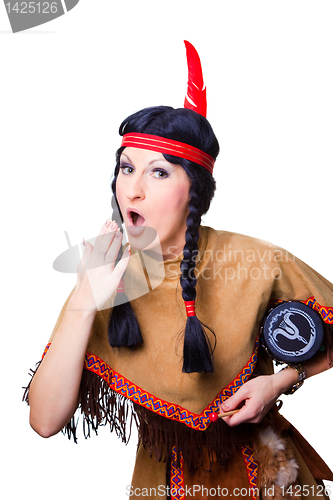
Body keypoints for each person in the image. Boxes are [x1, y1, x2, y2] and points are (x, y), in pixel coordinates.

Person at [24, 42, 333, 500]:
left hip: (271, 478)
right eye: (127, 169)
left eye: (160, 173)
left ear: (196, 191)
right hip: (162, 486)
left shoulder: (255, 260)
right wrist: (86, 300)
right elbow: (44, 421)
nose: (134, 191)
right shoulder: (105, 275)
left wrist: (281, 380)